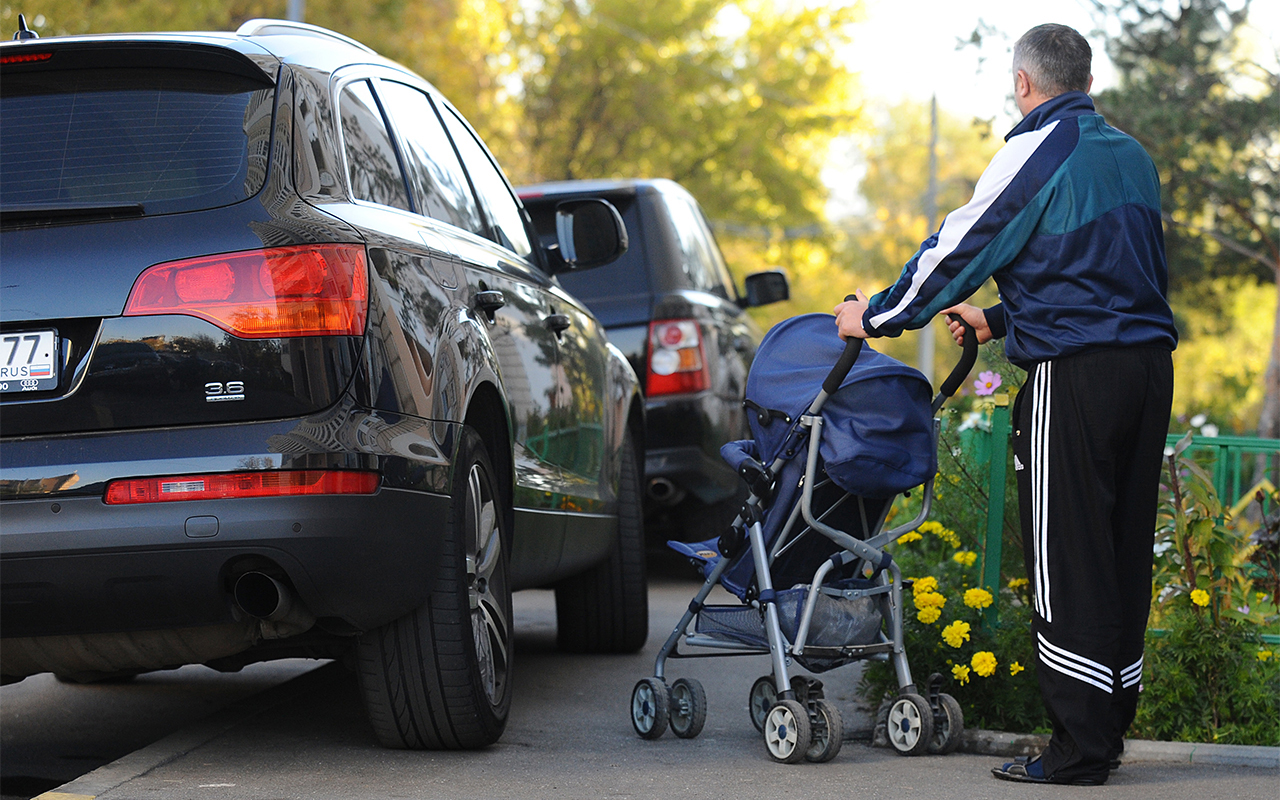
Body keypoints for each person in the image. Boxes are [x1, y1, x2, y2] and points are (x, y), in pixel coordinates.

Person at [835, 23, 1177, 786]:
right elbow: (1108, 277)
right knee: (1119, 548)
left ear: (1025, 83)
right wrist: (1001, 321)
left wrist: (880, 316)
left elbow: (960, 246)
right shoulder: (1131, 155)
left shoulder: (1037, 147)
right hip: (1148, 370)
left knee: (1067, 553)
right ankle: (1106, 729)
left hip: (1077, 378)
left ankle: (1078, 748)